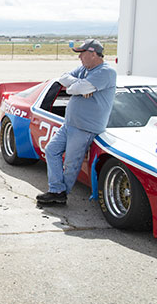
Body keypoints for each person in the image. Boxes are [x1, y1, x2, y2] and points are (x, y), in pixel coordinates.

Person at [36, 39, 117, 205]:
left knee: (71, 163)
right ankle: (57, 189)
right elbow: (63, 78)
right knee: (51, 150)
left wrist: (77, 88)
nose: (79, 57)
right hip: (70, 124)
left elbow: (77, 88)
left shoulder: (106, 72)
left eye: (82, 53)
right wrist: (79, 87)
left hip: (85, 127)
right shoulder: (85, 70)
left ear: (93, 54)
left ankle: (59, 193)